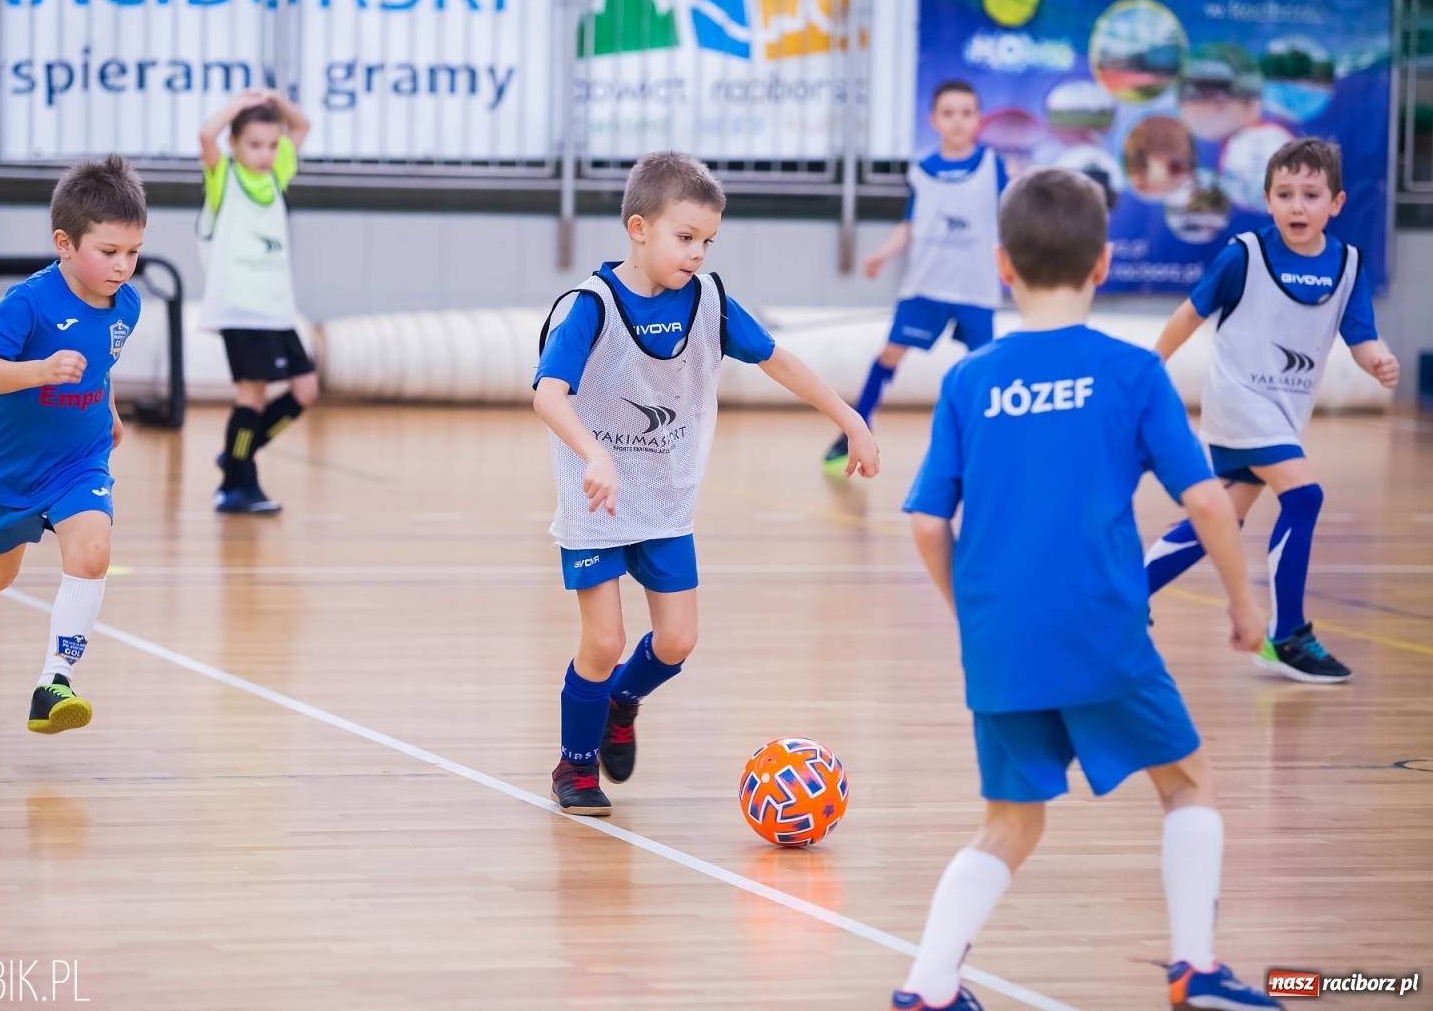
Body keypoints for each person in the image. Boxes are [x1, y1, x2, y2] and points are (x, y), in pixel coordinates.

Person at [894, 167, 1280, 1011]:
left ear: (1003, 264)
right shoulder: (1132, 373)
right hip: (1101, 632)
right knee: (1187, 782)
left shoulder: (968, 380)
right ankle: (1195, 969)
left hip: (1001, 644)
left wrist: (972, 617)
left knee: (1010, 821)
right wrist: (1244, 604)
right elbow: (1207, 501)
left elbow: (926, 523)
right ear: (1103, 263)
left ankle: (927, 985)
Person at [534, 150, 880, 815]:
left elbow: (777, 359)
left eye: (708, 242)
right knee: (603, 642)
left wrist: (850, 419)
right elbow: (548, 396)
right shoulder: (589, 307)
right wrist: (593, 454)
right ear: (639, 229)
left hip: (666, 501)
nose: (697, 253)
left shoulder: (709, 301)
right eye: (686, 237)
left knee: (677, 641)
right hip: (597, 501)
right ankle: (574, 767)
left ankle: (621, 702)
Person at [1143, 137, 1400, 683]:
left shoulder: (1348, 265)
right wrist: (1151, 365)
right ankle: (1287, 636)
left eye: (1310, 194)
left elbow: (1360, 336)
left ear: (1336, 203)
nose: (1296, 206)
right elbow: (1190, 314)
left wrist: (1377, 359)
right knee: (1304, 495)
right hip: (1239, 401)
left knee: (1220, 518)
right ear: (1267, 200)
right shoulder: (1245, 254)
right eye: (1284, 194)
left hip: (1284, 413)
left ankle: (1123, 597)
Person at [0, 155, 147, 734]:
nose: (123, 266)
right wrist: (40, 370)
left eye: (133, 252)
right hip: (11, 465)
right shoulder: (28, 302)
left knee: (92, 551)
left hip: (80, 458)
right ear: (64, 243)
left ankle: (54, 682)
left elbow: (102, 363)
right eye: (108, 251)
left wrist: (108, 406)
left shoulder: (127, 305)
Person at [825, 79, 1007, 474]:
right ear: (933, 120)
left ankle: (989, 445)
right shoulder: (921, 171)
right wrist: (882, 253)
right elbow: (910, 224)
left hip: (976, 288)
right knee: (890, 354)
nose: (957, 121)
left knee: (985, 367)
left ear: (978, 119)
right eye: (948, 113)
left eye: (966, 113)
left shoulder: (993, 166)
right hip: (925, 286)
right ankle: (855, 429)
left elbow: (1009, 220)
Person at [197, 88, 314, 514]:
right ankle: (236, 485)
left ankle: (236, 455)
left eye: (272, 145)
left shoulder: (276, 175)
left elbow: (302, 125)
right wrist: (241, 104)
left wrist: (277, 101)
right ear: (234, 144)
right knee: (253, 395)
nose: (265, 153)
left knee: (305, 390)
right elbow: (205, 135)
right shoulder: (224, 177)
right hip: (242, 308)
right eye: (254, 145)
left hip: (277, 310)